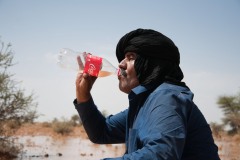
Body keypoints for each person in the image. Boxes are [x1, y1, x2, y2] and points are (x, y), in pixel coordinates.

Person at [73, 28, 220, 160]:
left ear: (151, 64)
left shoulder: (166, 97)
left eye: (130, 58)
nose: (121, 64)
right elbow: (101, 132)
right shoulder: (143, 104)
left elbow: (161, 154)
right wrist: (83, 94)